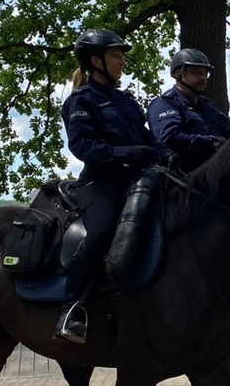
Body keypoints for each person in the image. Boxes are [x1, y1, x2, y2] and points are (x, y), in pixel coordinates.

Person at [57, 28, 167, 343]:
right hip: (100, 183)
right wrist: (124, 153)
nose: (121, 61)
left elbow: (146, 139)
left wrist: (165, 153)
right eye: (116, 55)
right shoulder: (81, 100)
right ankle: (71, 308)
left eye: (121, 55)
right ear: (96, 60)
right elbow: (81, 146)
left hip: (138, 180)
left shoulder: (125, 100)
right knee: (101, 232)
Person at [148, 48, 230, 173]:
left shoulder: (208, 106)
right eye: (196, 73)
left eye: (205, 74)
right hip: (185, 178)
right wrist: (210, 142)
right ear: (178, 74)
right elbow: (170, 138)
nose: (203, 78)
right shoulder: (165, 103)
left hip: (219, 173)